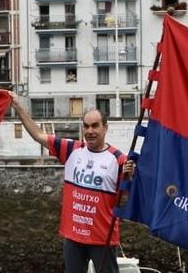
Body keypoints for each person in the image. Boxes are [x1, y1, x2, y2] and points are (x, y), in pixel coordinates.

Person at [11, 94, 133, 273]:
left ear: (105, 128)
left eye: (95, 126)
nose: (90, 131)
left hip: (102, 237)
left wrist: (128, 179)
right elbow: (38, 135)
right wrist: (18, 107)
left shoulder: (119, 160)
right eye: (86, 126)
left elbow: (123, 203)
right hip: (73, 236)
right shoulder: (71, 150)